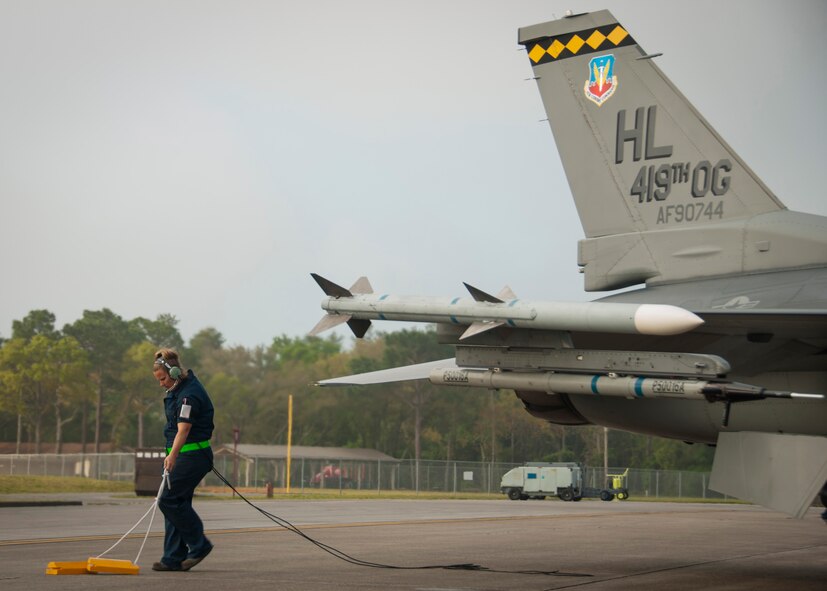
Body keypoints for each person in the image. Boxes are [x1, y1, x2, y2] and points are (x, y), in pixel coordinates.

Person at [151, 348, 215, 572]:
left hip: (192, 455)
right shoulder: (179, 390)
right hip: (182, 455)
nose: (161, 384)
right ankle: (173, 558)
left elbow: (184, 428)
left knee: (168, 500)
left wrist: (172, 456)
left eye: (163, 379)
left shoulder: (189, 394)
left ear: (175, 372)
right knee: (177, 504)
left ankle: (199, 545)